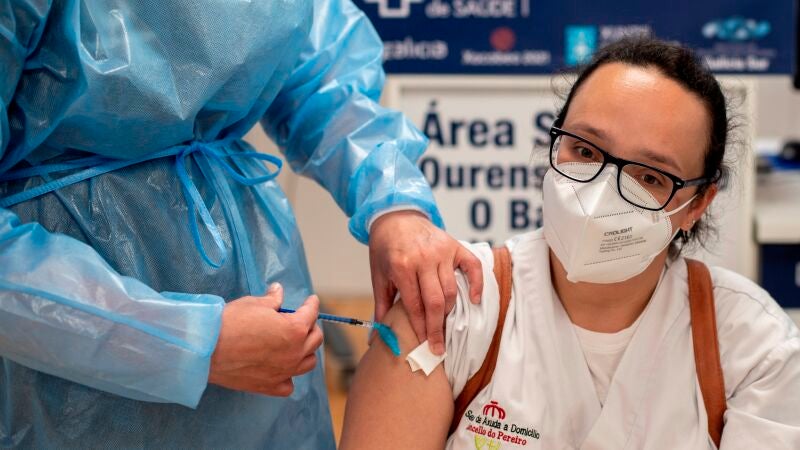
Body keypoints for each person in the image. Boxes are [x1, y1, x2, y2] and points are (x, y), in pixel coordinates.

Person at [0, 0, 482, 448]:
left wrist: (393, 203)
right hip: (52, 351)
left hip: (252, 262)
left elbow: (318, 75)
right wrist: (183, 342)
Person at [342, 37, 800, 449]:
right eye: (584, 150)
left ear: (697, 203)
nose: (602, 192)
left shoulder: (753, 347)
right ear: (554, 141)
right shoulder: (448, 309)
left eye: (649, 177)